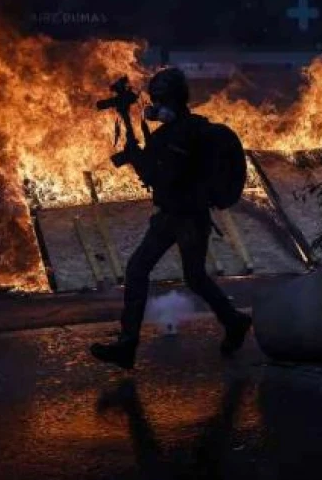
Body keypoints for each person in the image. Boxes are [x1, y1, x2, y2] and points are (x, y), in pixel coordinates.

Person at [90, 67, 253, 370]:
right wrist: (137, 154)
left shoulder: (185, 134)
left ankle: (234, 322)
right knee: (148, 271)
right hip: (173, 216)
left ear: (172, 101)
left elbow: (161, 176)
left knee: (183, 275)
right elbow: (156, 170)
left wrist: (136, 157)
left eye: (159, 100)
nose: (154, 106)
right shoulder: (171, 133)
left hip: (188, 218)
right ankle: (128, 344)